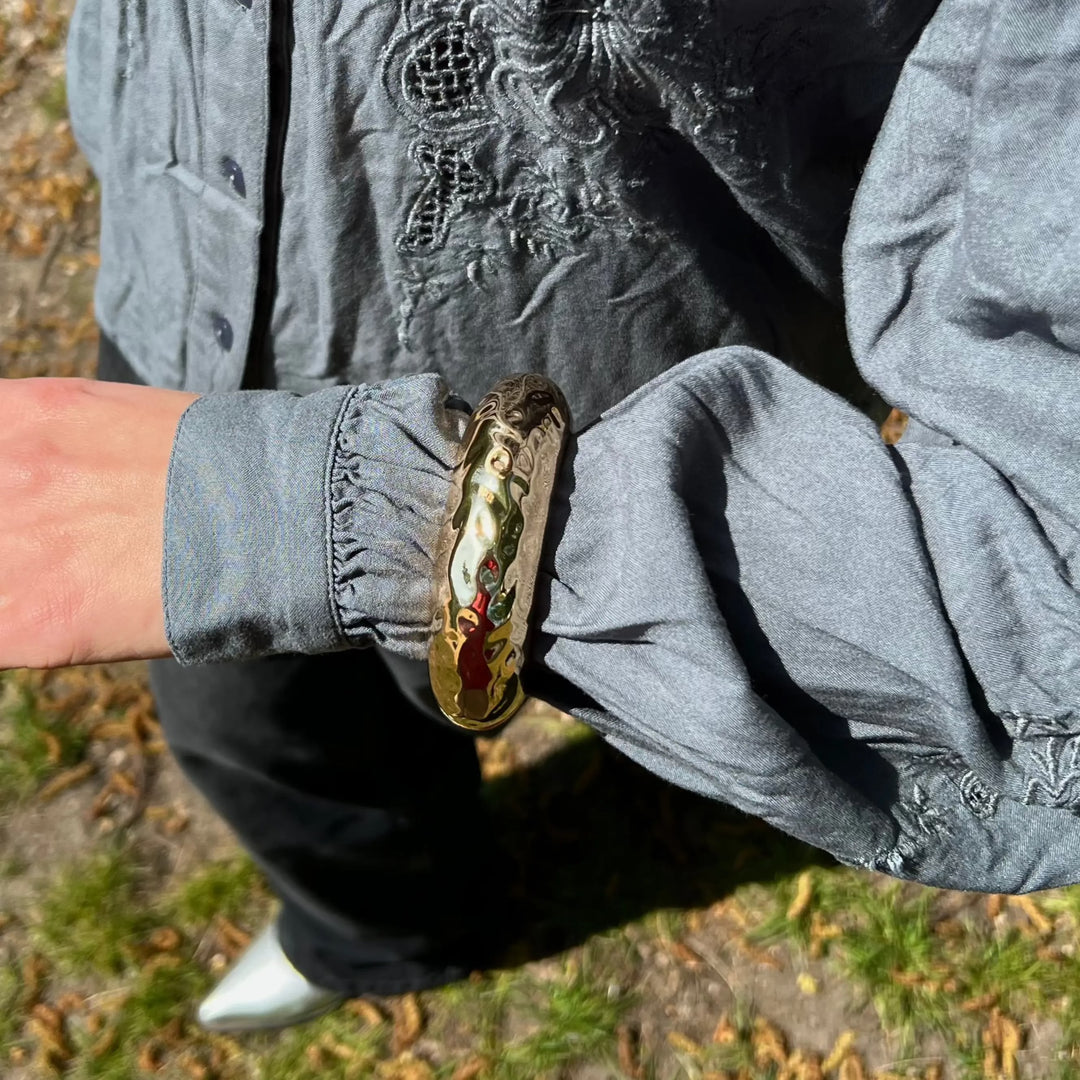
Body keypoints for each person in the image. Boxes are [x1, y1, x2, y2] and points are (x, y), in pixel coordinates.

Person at [3, 0, 1080, 1032]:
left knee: (584, 680)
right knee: (239, 718)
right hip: (181, 280)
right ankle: (380, 929)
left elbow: (1049, 585)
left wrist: (345, 513)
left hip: (628, 363)